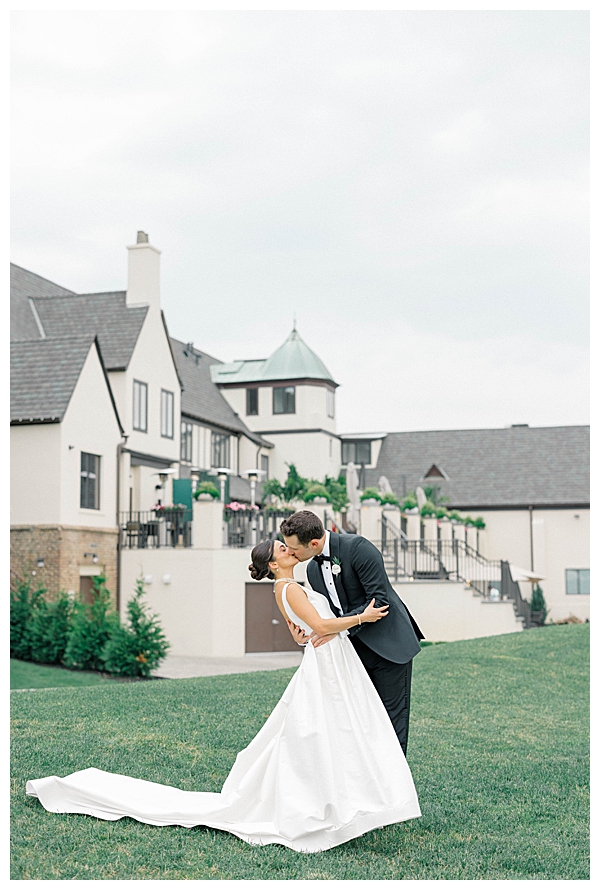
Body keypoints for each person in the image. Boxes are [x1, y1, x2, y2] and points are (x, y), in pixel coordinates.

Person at [25, 538, 421, 853]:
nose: (289, 549)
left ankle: (347, 798)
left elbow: (300, 630)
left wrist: (303, 632)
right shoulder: (290, 588)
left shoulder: (290, 587)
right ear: (273, 564)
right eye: (282, 549)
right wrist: (362, 618)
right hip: (326, 667)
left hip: (329, 664)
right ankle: (325, 803)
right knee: (320, 735)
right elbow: (318, 623)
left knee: (325, 734)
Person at [280, 511, 424, 754]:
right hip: (351, 654)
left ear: (313, 544)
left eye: (293, 548)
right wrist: (303, 636)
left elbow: (378, 602)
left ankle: (395, 789)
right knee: (360, 722)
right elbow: (325, 616)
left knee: (391, 723)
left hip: (389, 648)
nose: (289, 552)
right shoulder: (311, 571)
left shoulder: (358, 548)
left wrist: (341, 628)